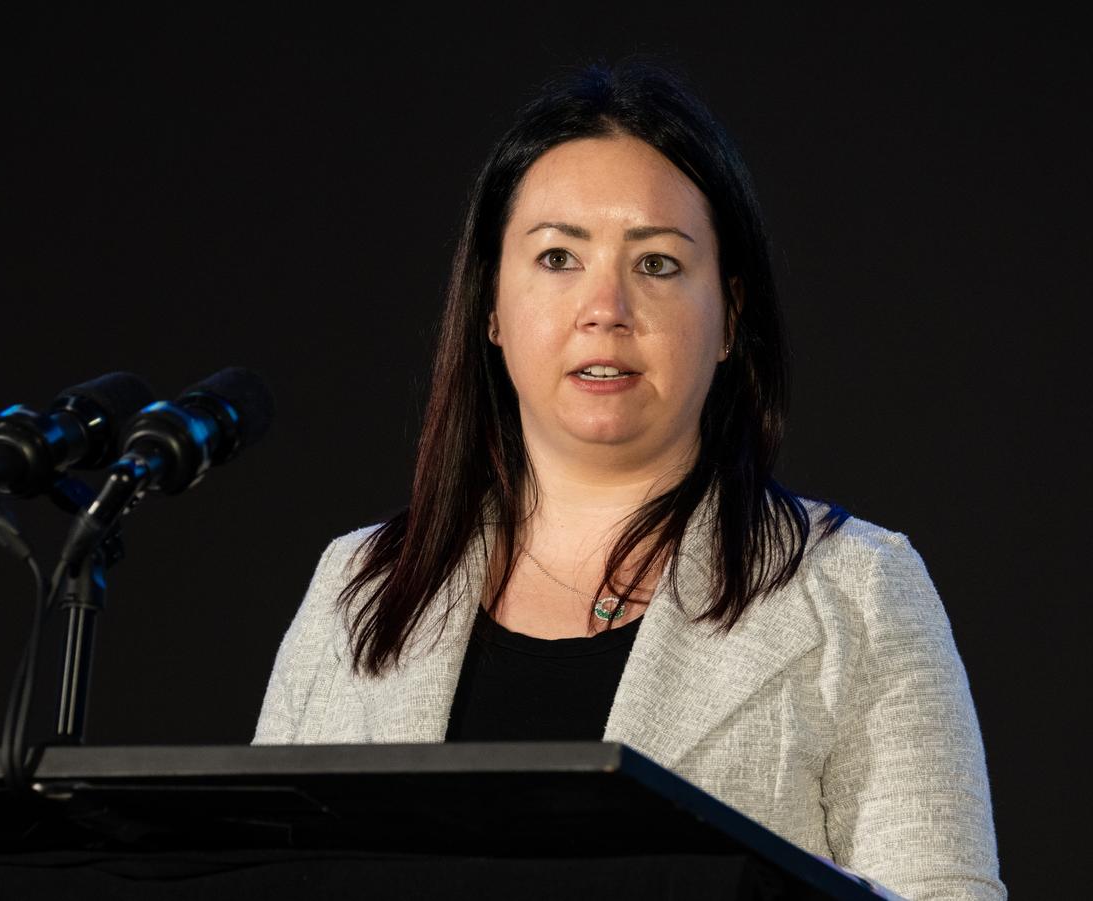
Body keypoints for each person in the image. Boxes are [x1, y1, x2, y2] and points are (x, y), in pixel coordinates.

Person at [253, 59, 1003, 900]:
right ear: (490, 308)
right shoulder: (356, 588)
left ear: (728, 316)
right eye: (557, 256)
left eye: (656, 265)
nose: (603, 305)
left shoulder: (856, 590)